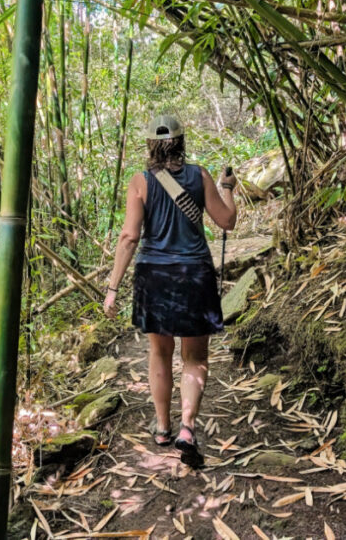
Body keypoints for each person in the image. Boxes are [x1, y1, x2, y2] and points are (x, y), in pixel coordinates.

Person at [104, 114, 237, 467]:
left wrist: (113, 287)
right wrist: (228, 188)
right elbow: (227, 220)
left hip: (154, 276)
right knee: (195, 357)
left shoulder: (140, 181)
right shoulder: (200, 175)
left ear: (150, 144)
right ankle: (187, 428)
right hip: (195, 273)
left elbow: (130, 236)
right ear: (181, 142)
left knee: (159, 354)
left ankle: (162, 427)